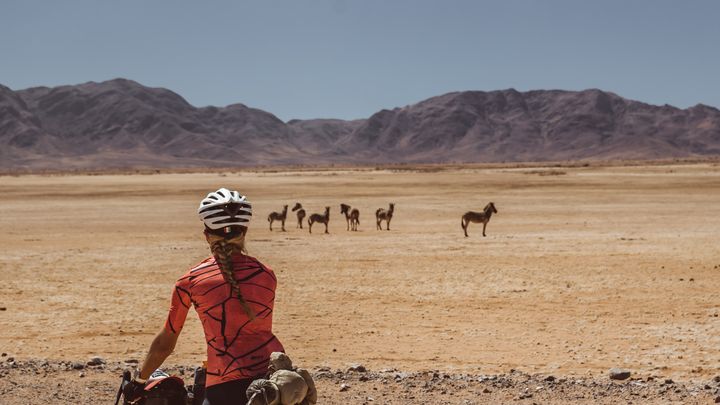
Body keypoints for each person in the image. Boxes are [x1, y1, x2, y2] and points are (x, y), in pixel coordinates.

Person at [124, 188, 285, 405]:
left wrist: (139, 380)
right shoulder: (266, 274)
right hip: (273, 381)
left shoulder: (190, 281)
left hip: (224, 384)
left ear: (206, 235)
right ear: (245, 231)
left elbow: (165, 343)